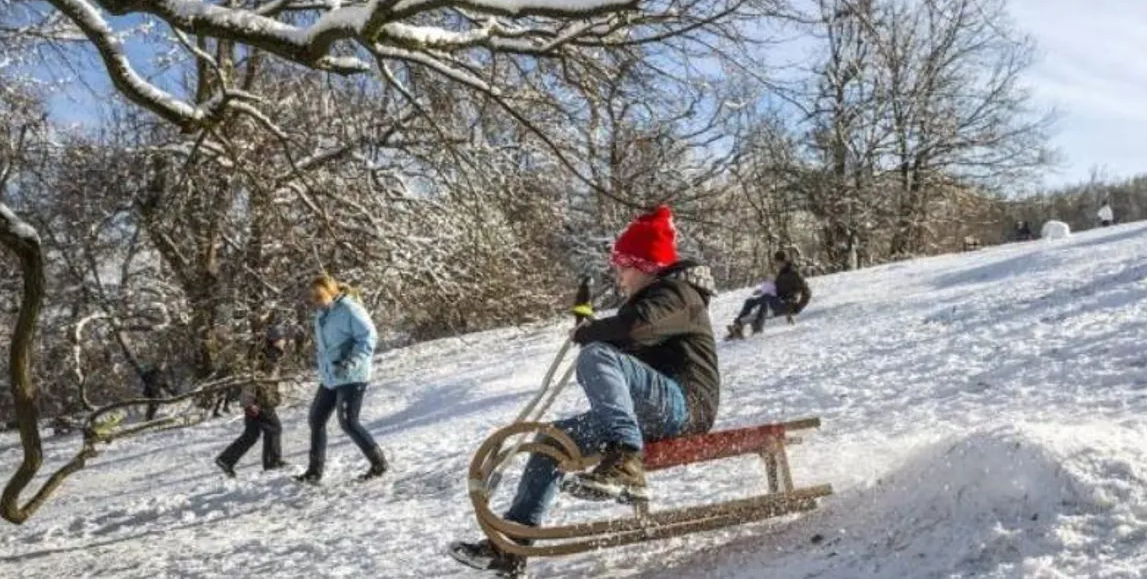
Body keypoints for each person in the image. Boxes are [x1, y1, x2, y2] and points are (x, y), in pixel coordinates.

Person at [449, 206, 719, 578]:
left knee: (596, 355)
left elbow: (637, 327)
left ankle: (625, 457)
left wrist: (592, 335)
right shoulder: (653, 298)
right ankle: (510, 550)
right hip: (649, 412)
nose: (619, 276)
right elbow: (627, 347)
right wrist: (595, 332)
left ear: (644, 265)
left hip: (684, 405)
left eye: (623, 266)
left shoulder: (677, 293)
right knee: (553, 441)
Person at [294, 274, 388, 484]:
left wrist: (350, 362)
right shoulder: (322, 315)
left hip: (352, 374)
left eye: (319, 296)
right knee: (316, 419)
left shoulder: (349, 309)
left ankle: (379, 463)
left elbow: (368, 337)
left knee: (348, 422)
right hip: (331, 376)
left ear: (331, 291)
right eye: (313, 298)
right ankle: (314, 471)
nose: (316, 302)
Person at [215, 326, 289, 477]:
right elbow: (253, 381)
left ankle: (226, 460)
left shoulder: (269, 354)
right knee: (274, 428)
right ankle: (272, 463)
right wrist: (250, 403)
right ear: (275, 340)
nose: (284, 342)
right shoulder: (267, 356)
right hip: (259, 401)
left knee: (252, 434)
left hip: (257, 400)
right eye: (282, 339)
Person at [726, 250, 812, 340]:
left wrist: (798, 308)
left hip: (788, 304)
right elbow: (778, 290)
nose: (776, 265)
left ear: (783, 261)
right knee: (750, 301)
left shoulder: (795, 273)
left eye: (777, 262)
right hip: (780, 301)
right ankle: (737, 325)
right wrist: (761, 291)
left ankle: (757, 328)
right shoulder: (782, 273)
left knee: (766, 298)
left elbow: (807, 292)